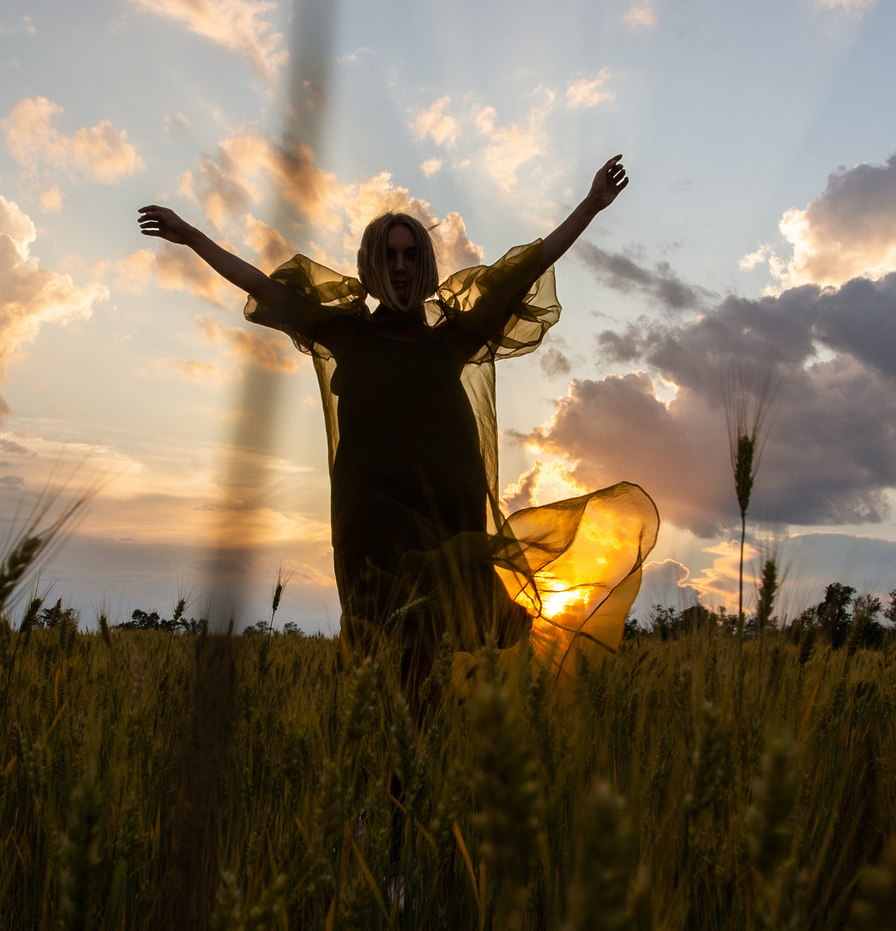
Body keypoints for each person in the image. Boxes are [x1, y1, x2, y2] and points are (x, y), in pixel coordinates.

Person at [137, 157, 658, 681]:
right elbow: (261, 284)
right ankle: (390, 752)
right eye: (390, 256)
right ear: (372, 265)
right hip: (372, 522)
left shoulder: (451, 339)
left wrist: (590, 205)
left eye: (411, 254)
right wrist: (193, 237)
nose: (402, 266)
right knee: (388, 652)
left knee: (435, 648)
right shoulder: (347, 334)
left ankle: (426, 753)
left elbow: (524, 267)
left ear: (425, 264)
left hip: (448, 519)